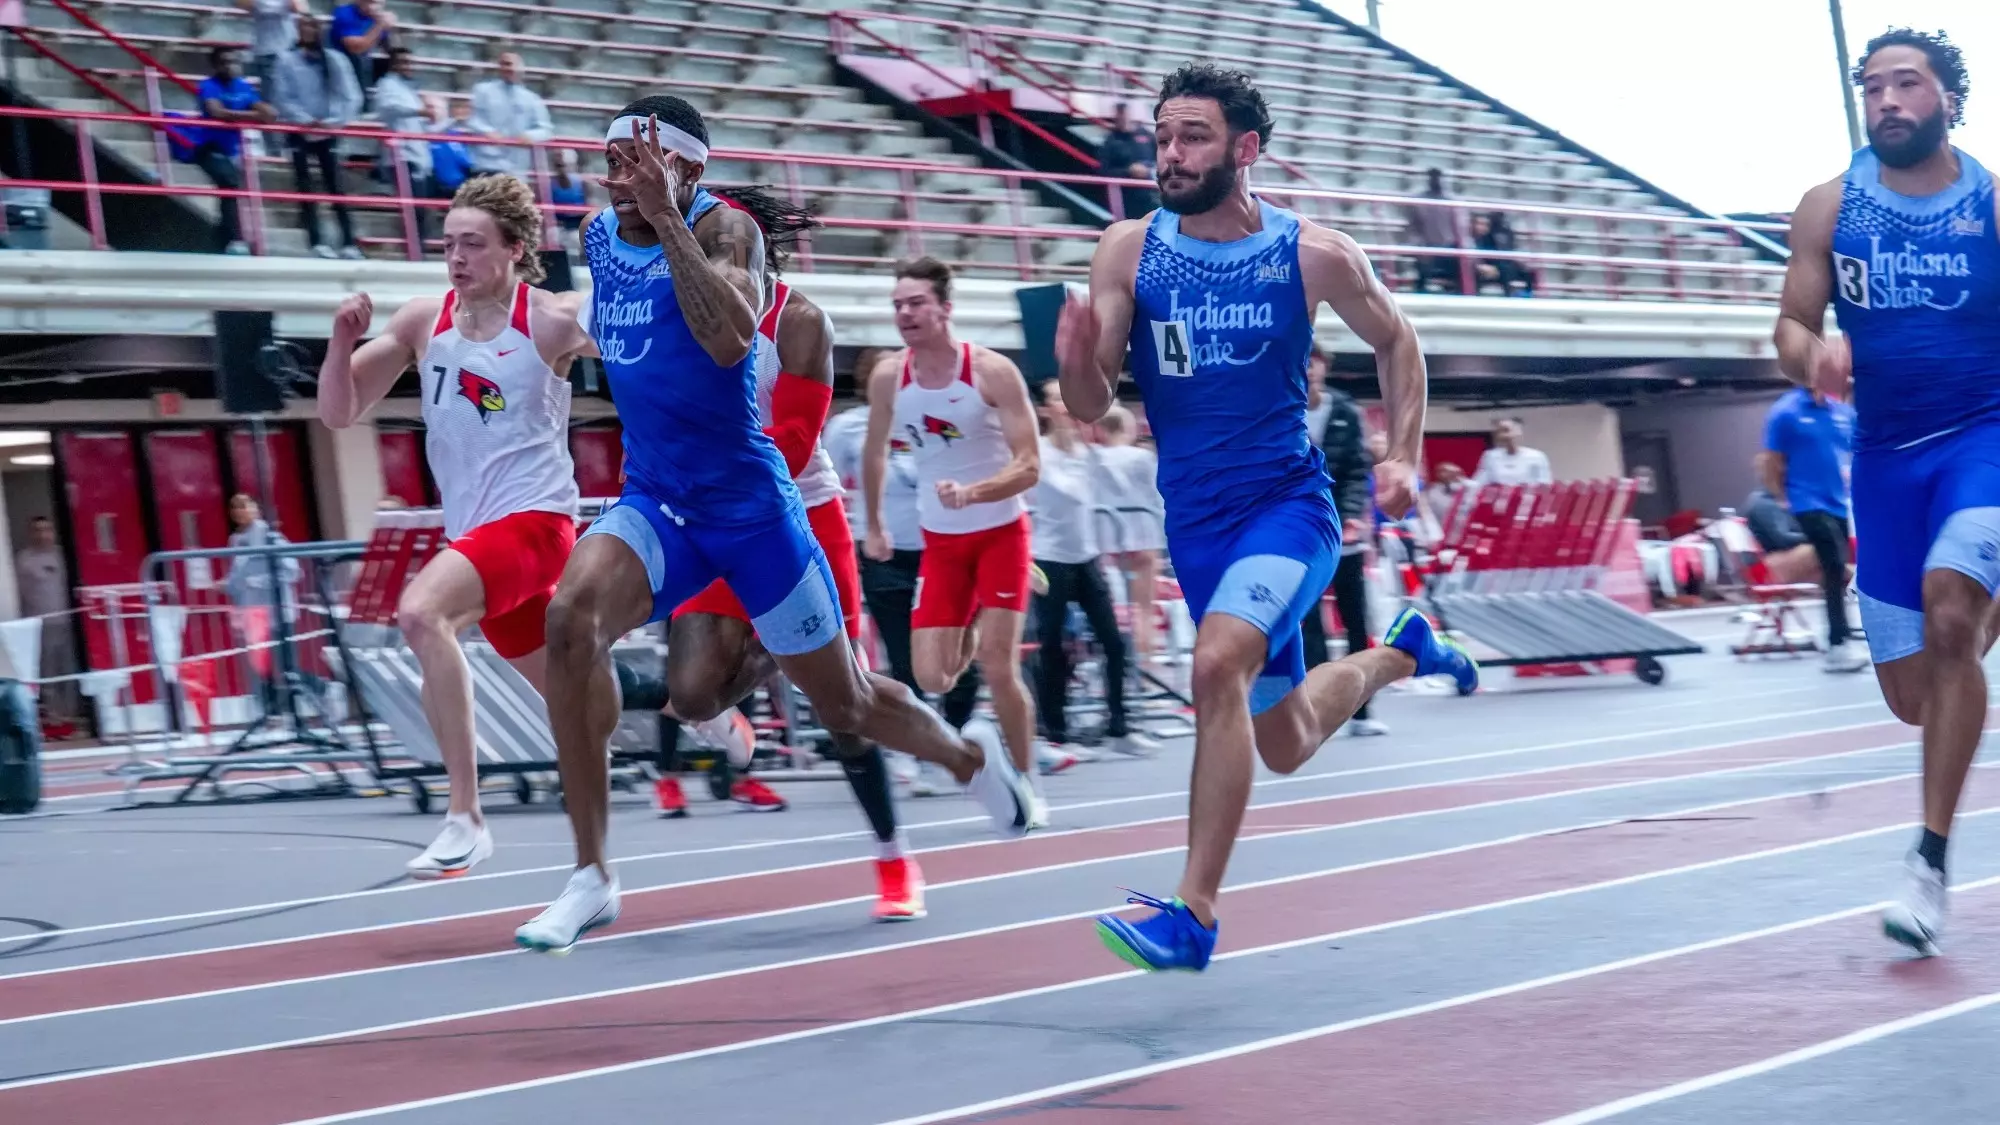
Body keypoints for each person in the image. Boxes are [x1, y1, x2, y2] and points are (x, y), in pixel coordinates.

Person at [524, 99, 1032, 954]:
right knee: (570, 620)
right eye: (607, 160)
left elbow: (725, 341)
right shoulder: (597, 237)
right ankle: (591, 874)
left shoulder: (730, 237)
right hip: (657, 499)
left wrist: (667, 222)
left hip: (755, 512)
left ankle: (969, 759)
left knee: (847, 703)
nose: (613, 177)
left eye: (633, 163)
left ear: (684, 168)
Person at [1056, 62, 1476, 972]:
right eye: (1163, 136)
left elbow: (1398, 340)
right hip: (1197, 528)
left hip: (1288, 509)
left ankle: (1193, 915)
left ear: (1244, 149)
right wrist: (1076, 359)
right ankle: (1402, 649)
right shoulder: (1127, 249)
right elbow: (1090, 404)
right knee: (1279, 740)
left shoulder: (1312, 252)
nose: (1169, 152)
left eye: (1192, 136)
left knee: (1213, 663)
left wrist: (1402, 451)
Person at [1775, 27, 2000, 957]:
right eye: (1872, 88)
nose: (1887, 101)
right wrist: (1814, 355)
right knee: (1916, 693)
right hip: (1886, 462)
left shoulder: (1991, 205)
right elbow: (1789, 322)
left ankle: (1929, 860)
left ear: (1949, 97)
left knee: (1954, 620)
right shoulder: (1829, 207)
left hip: (1984, 439)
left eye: (1907, 84)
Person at [652, 185, 928, 921]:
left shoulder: (799, 319)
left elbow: (796, 443)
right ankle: (758, 679)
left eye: (720, 239)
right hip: (714, 516)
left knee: (845, 711)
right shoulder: (681, 310)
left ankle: (895, 858)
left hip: (801, 513)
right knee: (690, 693)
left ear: (752, 245)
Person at [316, 174, 591, 879]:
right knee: (583, 698)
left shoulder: (549, 319)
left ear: (514, 249)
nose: (457, 257)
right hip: (475, 533)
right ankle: (703, 712)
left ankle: (465, 816)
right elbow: (339, 412)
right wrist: (339, 341)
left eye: (473, 244)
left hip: (535, 521)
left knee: (419, 613)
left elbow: (633, 336)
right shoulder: (422, 320)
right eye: (448, 245)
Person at [863, 256, 1048, 825]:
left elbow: (1031, 464)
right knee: (930, 678)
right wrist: (873, 523)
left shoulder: (991, 372)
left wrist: (975, 492)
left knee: (998, 666)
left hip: (999, 531)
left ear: (945, 308)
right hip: (940, 540)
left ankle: (1026, 783)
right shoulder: (890, 376)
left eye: (916, 303)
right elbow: (873, 451)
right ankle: (972, 616)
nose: (905, 314)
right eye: (898, 305)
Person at [826, 353, 984, 798]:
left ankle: (952, 740)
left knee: (957, 664)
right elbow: (827, 485)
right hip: (885, 556)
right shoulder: (849, 428)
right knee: (905, 658)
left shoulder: (935, 419)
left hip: (941, 552)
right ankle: (916, 753)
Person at [1030, 381, 1153, 757]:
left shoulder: (1089, 454)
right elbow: (1063, 494)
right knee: (1052, 648)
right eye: (1057, 399)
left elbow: (1113, 488)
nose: (1066, 405)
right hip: (1048, 559)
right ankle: (1056, 733)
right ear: (1046, 410)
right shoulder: (1037, 452)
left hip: (1086, 559)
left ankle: (1118, 727)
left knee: (1114, 644)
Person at [1299, 344, 1384, 737]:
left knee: (1354, 620)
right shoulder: (1280, 411)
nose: (1309, 371)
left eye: (1314, 363)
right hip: (1300, 533)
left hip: (1344, 534)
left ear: (1324, 368)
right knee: (1308, 621)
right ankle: (1318, 707)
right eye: (1301, 363)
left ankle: (1363, 710)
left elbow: (1356, 471)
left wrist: (1351, 516)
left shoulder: (1346, 412)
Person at [1762, 384, 1865, 673]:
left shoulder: (1842, 414)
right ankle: (1837, 642)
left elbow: (1856, 449)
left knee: (1837, 569)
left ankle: (1841, 634)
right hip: (1806, 501)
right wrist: (1781, 497)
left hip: (1837, 502)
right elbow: (1771, 460)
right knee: (1833, 566)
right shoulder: (1786, 412)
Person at [272, 13, 364, 259]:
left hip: (329, 130)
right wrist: (305, 121)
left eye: (311, 26)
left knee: (336, 187)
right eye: (302, 26)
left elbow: (352, 96)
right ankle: (316, 242)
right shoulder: (285, 60)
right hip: (299, 130)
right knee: (305, 187)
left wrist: (333, 123)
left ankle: (348, 243)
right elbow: (282, 97)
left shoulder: (335, 59)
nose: (307, 31)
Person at [223, 493, 300, 715]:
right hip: (252, 612)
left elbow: (292, 571)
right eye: (235, 508)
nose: (239, 512)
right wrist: (227, 585)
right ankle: (271, 711)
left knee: (286, 665)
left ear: (256, 509)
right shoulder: (236, 540)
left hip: (277, 610)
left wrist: (255, 582)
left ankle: (321, 691)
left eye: (244, 506)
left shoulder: (271, 536)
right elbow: (237, 576)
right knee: (260, 665)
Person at [195, 46, 272, 255]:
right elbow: (216, 112)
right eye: (224, 62)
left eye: (234, 62)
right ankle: (234, 238)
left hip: (232, 148)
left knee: (229, 190)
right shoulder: (208, 85)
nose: (230, 66)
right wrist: (249, 115)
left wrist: (235, 115)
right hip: (209, 146)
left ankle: (220, 240)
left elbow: (270, 113)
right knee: (229, 183)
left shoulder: (243, 86)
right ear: (216, 65)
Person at [13, 516, 78, 725]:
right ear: (31, 534)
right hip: (41, 625)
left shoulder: (63, 555)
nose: (43, 534)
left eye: (47, 529)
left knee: (70, 667)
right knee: (47, 670)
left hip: (69, 622)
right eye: (37, 530)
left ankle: (73, 714)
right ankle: (54, 716)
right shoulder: (24, 560)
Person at [370, 47, 433, 233]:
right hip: (402, 155)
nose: (408, 66)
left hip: (417, 153)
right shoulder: (386, 85)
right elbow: (387, 108)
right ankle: (414, 252)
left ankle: (417, 251)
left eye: (410, 62)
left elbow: (420, 123)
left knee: (420, 208)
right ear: (393, 64)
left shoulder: (411, 89)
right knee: (413, 208)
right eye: (403, 62)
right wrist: (419, 111)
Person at [233, 0, 307, 148]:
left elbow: (300, 8)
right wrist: (279, 7)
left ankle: (292, 145)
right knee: (271, 105)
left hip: (291, 51)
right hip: (268, 53)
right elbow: (245, 4)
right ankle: (274, 149)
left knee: (294, 101)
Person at [469, 52, 553, 180]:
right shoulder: (482, 90)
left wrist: (530, 136)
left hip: (516, 167)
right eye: (502, 64)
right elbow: (473, 119)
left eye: (510, 64)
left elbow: (546, 130)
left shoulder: (532, 99)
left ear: (521, 68)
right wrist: (488, 132)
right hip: (486, 162)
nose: (507, 68)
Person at [1403, 167, 1465, 293]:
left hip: (1449, 247)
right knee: (1423, 264)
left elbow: (1461, 229)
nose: (1436, 181)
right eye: (1433, 177)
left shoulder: (1453, 202)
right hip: (1426, 246)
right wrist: (1419, 245)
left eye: (1439, 177)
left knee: (1462, 262)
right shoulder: (1419, 201)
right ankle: (1420, 293)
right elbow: (1413, 228)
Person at [1099, 102, 1157, 218]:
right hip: (1127, 197)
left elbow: (1163, 160)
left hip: (1152, 192)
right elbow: (1104, 171)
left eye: (1125, 115)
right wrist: (1129, 172)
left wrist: (1150, 170)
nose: (1123, 119)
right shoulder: (1110, 141)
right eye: (1119, 116)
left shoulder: (1148, 136)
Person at [329, 0, 395, 88]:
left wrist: (392, 29)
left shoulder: (378, 17)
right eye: (370, 2)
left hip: (366, 69)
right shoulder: (345, 13)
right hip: (342, 69)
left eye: (377, 3)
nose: (373, 6)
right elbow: (356, 48)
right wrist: (380, 25)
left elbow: (395, 50)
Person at [1472, 416, 1551, 486]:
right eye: (1498, 432)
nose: (1503, 436)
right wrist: (1462, 481)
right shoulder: (1490, 456)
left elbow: (1544, 485)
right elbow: (1478, 484)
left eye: (1506, 431)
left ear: (1518, 432)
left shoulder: (1537, 456)